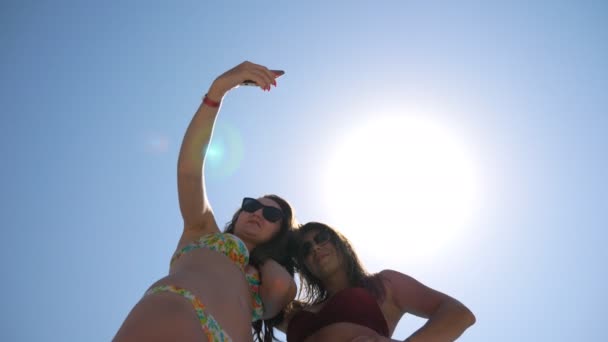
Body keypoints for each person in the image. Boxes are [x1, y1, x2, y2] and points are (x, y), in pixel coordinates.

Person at [114, 61, 297, 342]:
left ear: (281, 232)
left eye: (272, 215)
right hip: (176, 313)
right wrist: (218, 91)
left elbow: (281, 286)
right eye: (251, 205)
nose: (258, 213)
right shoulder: (202, 231)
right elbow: (189, 170)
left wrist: (270, 257)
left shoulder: (270, 276)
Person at [282, 222, 476, 342]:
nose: (315, 248)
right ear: (305, 266)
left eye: (321, 238)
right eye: (306, 249)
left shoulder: (384, 284)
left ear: (340, 243)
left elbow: (459, 314)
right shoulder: (296, 313)